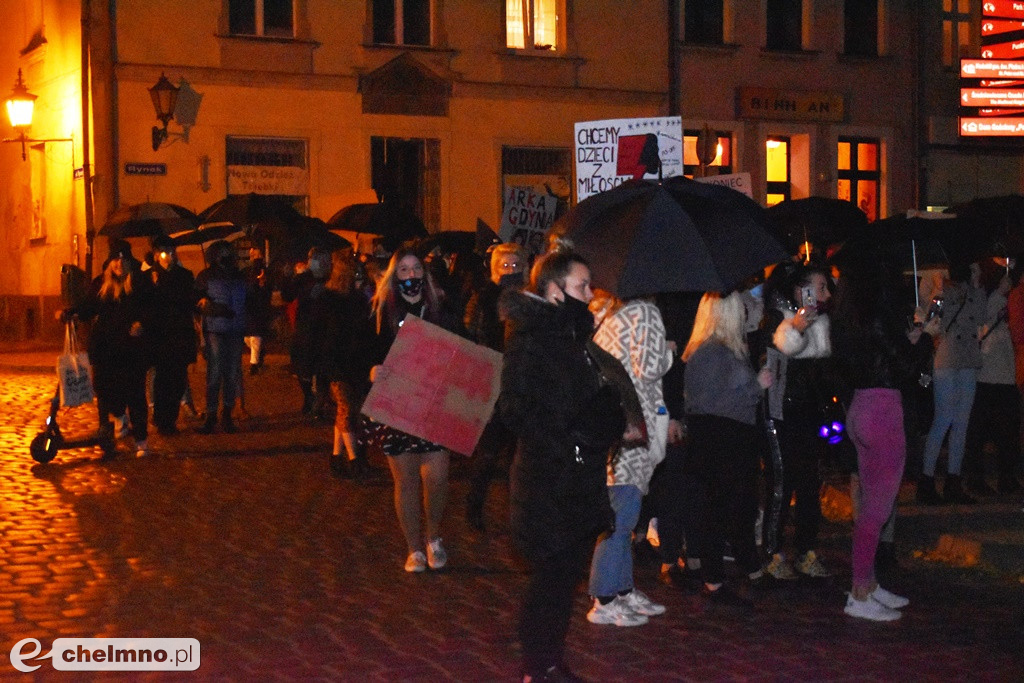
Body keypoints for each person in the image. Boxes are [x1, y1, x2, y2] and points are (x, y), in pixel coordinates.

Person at [499, 250, 628, 682]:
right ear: (554, 292)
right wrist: (574, 430)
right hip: (548, 482)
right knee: (551, 579)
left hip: (576, 477)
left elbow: (586, 398)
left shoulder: (573, 338)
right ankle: (539, 665)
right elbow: (518, 411)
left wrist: (603, 412)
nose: (589, 295)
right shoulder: (533, 340)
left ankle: (550, 659)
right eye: (580, 287)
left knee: (564, 576)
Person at [831, 263, 935, 621]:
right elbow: (903, 366)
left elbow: (875, 359)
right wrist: (924, 339)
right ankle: (860, 590)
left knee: (872, 503)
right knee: (878, 507)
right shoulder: (880, 318)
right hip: (883, 411)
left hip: (861, 406)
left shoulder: (850, 321)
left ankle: (869, 583)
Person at [364, 247, 458, 572]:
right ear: (394, 275)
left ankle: (434, 538)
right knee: (405, 480)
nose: (410, 275)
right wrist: (373, 370)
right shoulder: (381, 312)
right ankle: (414, 548)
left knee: (437, 477)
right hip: (397, 404)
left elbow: (461, 347)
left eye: (416, 268)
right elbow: (364, 354)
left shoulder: (440, 308)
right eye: (403, 270)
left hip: (434, 403)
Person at [586, 291, 674, 627]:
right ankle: (605, 598)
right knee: (621, 517)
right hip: (633, 426)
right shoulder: (646, 312)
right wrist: (668, 353)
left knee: (625, 514)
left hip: (618, 424)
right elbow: (648, 367)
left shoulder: (612, 313)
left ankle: (622, 589)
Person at [682, 291, 772, 609]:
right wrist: (756, 386)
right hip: (722, 438)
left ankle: (743, 567)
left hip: (725, 437)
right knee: (718, 509)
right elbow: (715, 402)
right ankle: (714, 579)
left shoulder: (716, 350)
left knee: (735, 505)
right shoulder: (712, 353)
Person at [762, 263, 835, 579]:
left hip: (809, 411)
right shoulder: (776, 320)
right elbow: (782, 348)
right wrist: (795, 328)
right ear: (797, 289)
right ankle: (771, 553)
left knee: (809, 485)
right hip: (780, 411)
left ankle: (806, 550)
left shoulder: (820, 322)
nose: (824, 295)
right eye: (818, 288)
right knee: (781, 484)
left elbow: (824, 368)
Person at [464, 242, 527, 531]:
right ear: (494, 269)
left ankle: (520, 512)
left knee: (521, 455)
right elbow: (473, 337)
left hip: (523, 385)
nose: (511, 271)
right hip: (493, 382)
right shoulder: (484, 298)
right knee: (487, 453)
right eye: (505, 266)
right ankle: (474, 508)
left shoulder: (530, 298)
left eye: (516, 266)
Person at [69, 239, 152, 457]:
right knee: (104, 391)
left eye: (123, 259)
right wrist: (72, 313)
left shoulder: (140, 283)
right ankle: (109, 431)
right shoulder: (100, 284)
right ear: (109, 263)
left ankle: (141, 439)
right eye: (115, 259)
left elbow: (152, 308)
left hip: (131, 348)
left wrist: (141, 323)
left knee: (135, 393)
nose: (119, 264)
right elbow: (89, 306)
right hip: (105, 347)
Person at [917, 261, 986, 504]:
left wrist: (977, 287)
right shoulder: (939, 286)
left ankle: (953, 480)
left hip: (967, 358)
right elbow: (931, 320)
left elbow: (981, 317)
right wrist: (938, 292)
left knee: (962, 422)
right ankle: (926, 480)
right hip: (946, 358)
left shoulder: (972, 289)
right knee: (943, 418)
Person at [317, 249, 376, 478]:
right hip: (336, 363)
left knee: (348, 411)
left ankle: (336, 456)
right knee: (347, 409)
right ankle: (354, 460)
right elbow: (320, 332)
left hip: (356, 362)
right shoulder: (328, 299)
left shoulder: (358, 299)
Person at [965, 265, 1021, 495]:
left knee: (1002, 433)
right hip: (991, 375)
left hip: (999, 374)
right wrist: (1001, 292)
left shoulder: (1000, 301)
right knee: (989, 432)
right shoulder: (993, 301)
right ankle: (985, 479)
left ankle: (1003, 478)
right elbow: (987, 315)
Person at [195, 240, 247, 434]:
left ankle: (227, 413)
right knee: (215, 372)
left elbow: (249, 300)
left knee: (232, 373)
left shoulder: (239, 276)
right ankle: (210, 414)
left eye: (229, 251)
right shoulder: (205, 276)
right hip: (215, 329)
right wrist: (213, 307)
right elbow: (196, 301)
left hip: (235, 330)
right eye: (223, 252)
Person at [148, 235, 197, 436]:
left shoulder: (184, 275)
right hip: (160, 336)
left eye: (171, 252)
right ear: (156, 256)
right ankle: (161, 419)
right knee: (161, 379)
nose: (167, 256)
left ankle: (171, 418)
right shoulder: (151, 277)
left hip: (180, 333)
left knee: (177, 379)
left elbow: (188, 299)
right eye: (163, 252)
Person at [282, 248, 333, 418]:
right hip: (304, 328)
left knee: (322, 369)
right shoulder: (303, 278)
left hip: (324, 329)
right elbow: (287, 295)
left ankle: (319, 402)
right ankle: (309, 397)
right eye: (313, 258)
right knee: (302, 367)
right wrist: (288, 276)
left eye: (319, 258)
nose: (315, 261)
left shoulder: (331, 278)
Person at [243, 245, 273, 376]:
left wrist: (260, 284)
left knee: (255, 336)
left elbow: (262, 287)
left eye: (254, 255)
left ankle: (253, 363)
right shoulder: (249, 270)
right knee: (248, 338)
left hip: (258, 306)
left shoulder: (260, 269)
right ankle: (258, 355)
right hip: (251, 306)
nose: (252, 257)